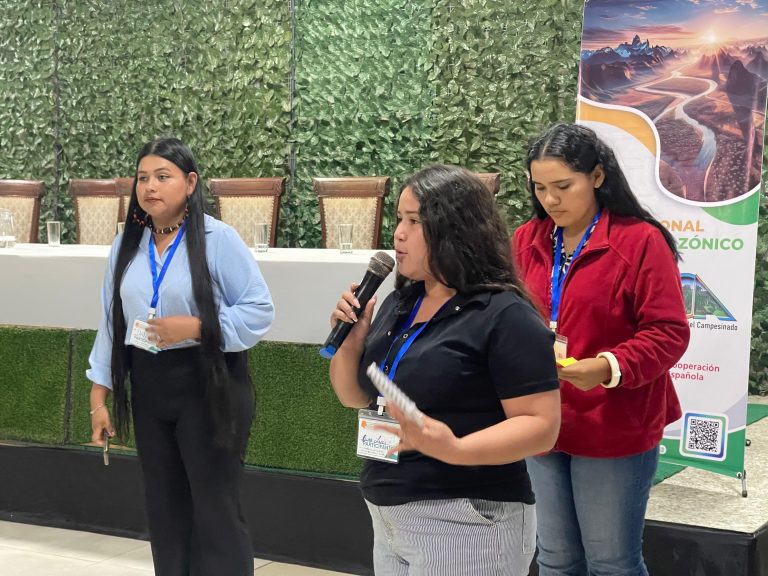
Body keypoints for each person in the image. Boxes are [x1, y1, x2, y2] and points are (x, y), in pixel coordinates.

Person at [328, 164, 561, 576]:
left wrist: (454, 448)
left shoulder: (503, 314)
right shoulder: (401, 303)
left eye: (414, 221)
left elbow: (541, 426)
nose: (399, 234)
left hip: (467, 520)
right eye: (399, 219)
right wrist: (350, 344)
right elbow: (355, 397)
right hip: (390, 515)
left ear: (456, 229)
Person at [87, 137, 274, 576]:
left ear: (190, 183)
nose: (150, 187)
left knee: (214, 508)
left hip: (208, 384)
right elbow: (112, 321)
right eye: (142, 178)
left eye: (162, 176)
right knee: (165, 508)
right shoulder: (126, 244)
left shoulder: (217, 239)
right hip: (150, 385)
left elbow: (259, 310)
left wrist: (196, 327)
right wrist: (99, 397)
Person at [512, 123, 690, 576]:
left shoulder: (639, 241)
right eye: (539, 188)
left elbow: (668, 331)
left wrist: (609, 366)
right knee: (555, 559)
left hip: (614, 423)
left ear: (596, 176)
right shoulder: (526, 240)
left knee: (612, 563)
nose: (550, 200)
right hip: (543, 420)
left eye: (563, 187)